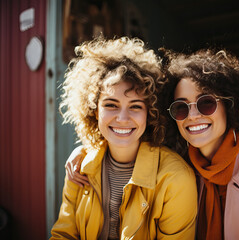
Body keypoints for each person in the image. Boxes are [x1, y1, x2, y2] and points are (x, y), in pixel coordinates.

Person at [67, 47, 239, 240]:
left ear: (228, 105)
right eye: (181, 107)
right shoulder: (180, 164)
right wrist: (85, 151)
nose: (193, 115)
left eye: (206, 103)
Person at [50, 37, 197, 240]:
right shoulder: (79, 168)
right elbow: (63, 235)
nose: (122, 118)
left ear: (150, 113)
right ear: (94, 110)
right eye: (111, 104)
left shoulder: (176, 178)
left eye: (136, 106)